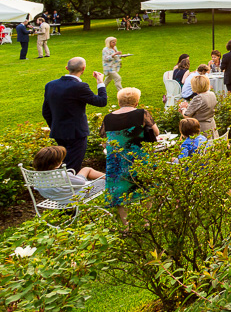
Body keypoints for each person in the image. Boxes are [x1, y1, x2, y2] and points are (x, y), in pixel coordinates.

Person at [100, 87, 159, 216]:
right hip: (138, 157)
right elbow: (156, 132)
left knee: (120, 192)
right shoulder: (142, 113)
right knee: (145, 189)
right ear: (136, 102)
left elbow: (104, 139)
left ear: (119, 102)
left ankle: (125, 225)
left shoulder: (108, 118)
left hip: (117, 160)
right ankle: (145, 221)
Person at [42, 57, 107, 172]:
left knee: (63, 162)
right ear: (83, 69)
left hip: (58, 131)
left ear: (67, 68)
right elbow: (101, 102)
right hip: (76, 133)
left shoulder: (50, 85)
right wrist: (100, 82)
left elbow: (46, 111)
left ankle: (62, 184)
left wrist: (54, 126)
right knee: (73, 165)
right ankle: (69, 187)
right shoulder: (79, 87)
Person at [32, 146, 104, 206]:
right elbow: (81, 183)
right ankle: (112, 178)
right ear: (57, 164)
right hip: (76, 196)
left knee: (86, 169)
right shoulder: (62, 175)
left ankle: (110, 176)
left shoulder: (36, 176)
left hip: (58, 197)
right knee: (104, 181)